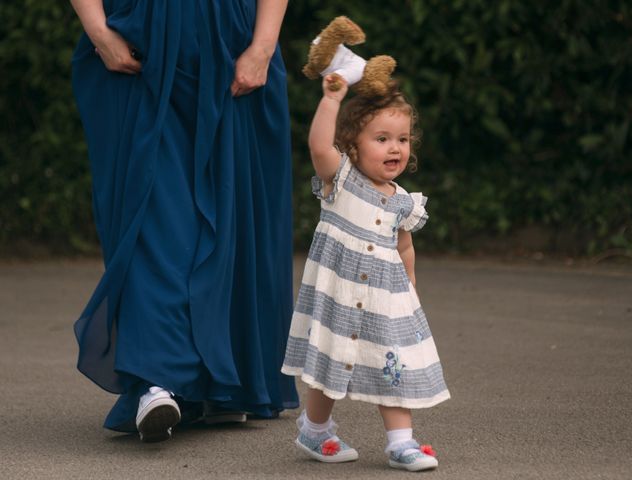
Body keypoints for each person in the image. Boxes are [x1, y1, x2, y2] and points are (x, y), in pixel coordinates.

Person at [69, 0, 298, 441]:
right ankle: (157, 378)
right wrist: (99, 32)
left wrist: (264, 46)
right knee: (151, 213)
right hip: (136, 45)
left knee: (235, 211)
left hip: (232, 43)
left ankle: (223, 387)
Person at [281, 74, 450, 471]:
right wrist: (331, 99)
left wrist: (411, 287)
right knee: (330, 363)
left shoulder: (405, 201)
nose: (395, 147)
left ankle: (400, 443)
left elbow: (404, 245)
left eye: (403, 139)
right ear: (353, 145)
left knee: (392, 365)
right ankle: (315, 429)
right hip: (338, 293)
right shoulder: (340, 179)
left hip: (384, 300)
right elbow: (319, 146)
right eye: (382, 139)